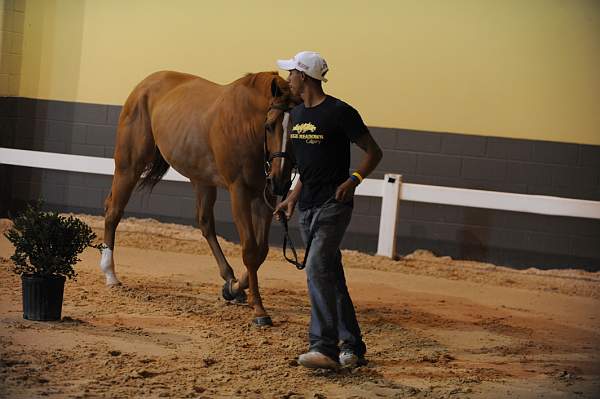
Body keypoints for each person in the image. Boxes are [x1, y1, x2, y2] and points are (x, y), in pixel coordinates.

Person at [274, 51, 383, 369]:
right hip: (306, 208)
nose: (288, 79)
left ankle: (323, 346)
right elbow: (307, 169)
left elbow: (374, 152)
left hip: (333, 206)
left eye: (291, 73)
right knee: (330, 276)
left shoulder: (340, 112)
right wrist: (293, 196)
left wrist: (355, 179)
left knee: (317, 268)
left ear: (304, 77)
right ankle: (352, 347)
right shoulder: (294, 117)